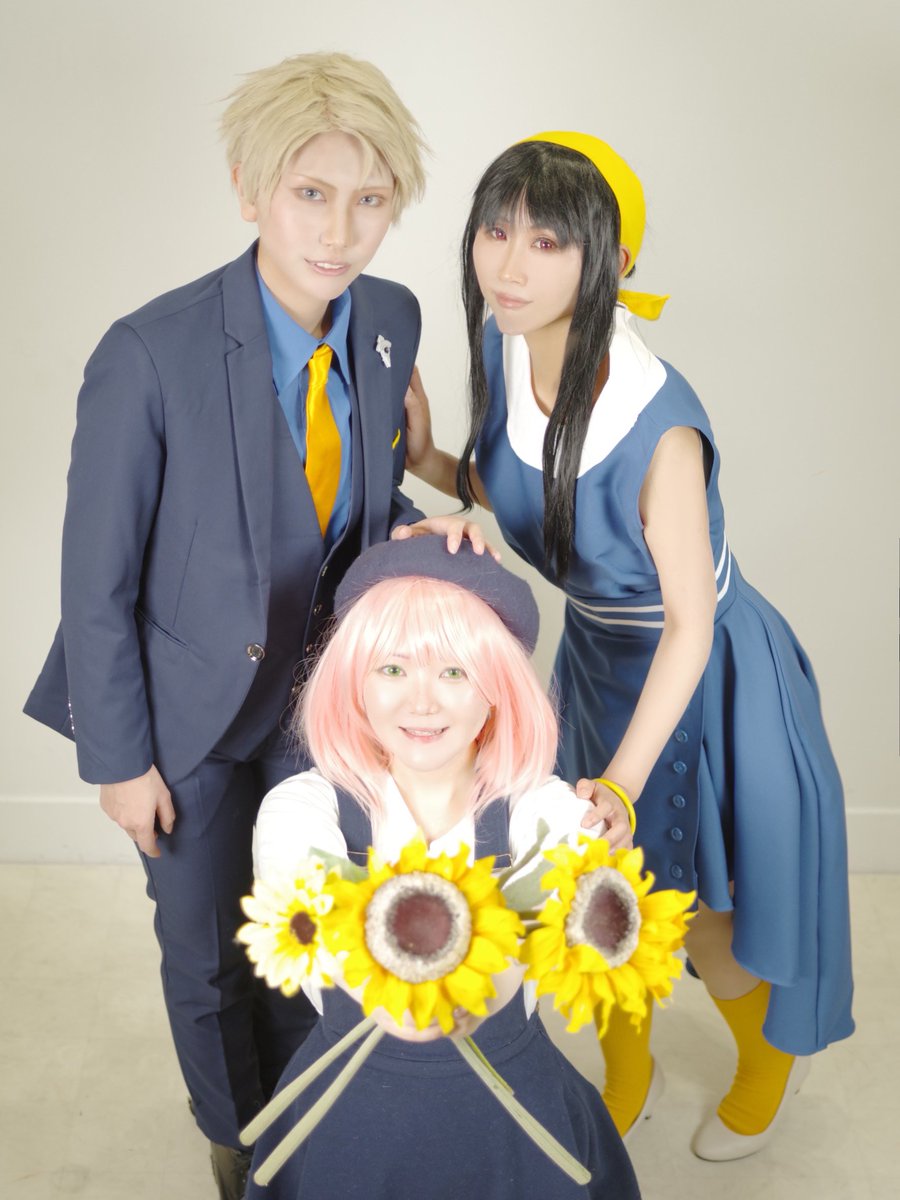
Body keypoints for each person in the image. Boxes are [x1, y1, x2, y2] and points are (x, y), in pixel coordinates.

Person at [23, 52, 483, 1199]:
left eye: (369, 199)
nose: (340, 230)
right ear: (248, 189)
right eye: (309, 193)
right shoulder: (149, 354)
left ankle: (315, 1117)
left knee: (314, 928)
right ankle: (241, 1141)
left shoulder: (390, 318)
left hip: (321, 703)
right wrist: (119, 762)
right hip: (183, 717)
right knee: (207, 955)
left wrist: (420, 530)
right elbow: (95, 580)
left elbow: (353, 501)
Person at [404, 132, 854, 1161]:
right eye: (496, 230)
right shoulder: (511, 341)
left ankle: (766, 1065)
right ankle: (628, 1069)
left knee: (702, 920)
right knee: (588, 896)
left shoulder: (662, 429)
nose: (509, 265)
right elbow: (526, 493)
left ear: (610, 259)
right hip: (599, 663)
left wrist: (622, 779)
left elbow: (689, 623)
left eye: (547, 242)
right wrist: (429, 459)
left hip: (702, 680)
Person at [246, 534, 640, 1198]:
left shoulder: (546, 811)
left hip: (515, 1121)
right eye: (392, 669)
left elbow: (545, 933)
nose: (421, 703)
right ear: (352, 682)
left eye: (454, 671)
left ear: (499, 690)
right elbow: (349, 966)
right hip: (352, 1124)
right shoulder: (298, 811)